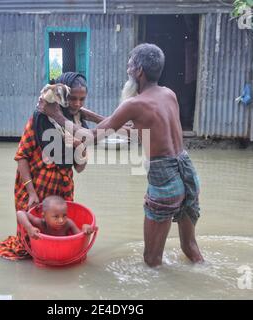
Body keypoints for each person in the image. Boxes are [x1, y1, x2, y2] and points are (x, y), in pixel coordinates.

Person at [39, 43, 204, 267]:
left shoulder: (134, 104)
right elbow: (133, 130)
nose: (127, 70)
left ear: (139, 71)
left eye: (129, 65)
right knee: (190, 247)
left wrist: (57, 115)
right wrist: (85, 113)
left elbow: (89, 137)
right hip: (187, 173)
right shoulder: (169, 95)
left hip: (165, 180)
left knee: (151, 260)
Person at [0, 72, 103, 260]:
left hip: (62, 188)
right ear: (62, 98)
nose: (77, 104)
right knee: (29, 243)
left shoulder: (77, 126)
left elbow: (79, 169)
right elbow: (22, 156)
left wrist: (80, 148)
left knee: (59, 235)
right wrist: (31, 192)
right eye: (72, 99)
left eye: (82, 99)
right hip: (34, 185)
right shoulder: (39, 120)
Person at [17, 195, 94, 239]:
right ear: (44, 216)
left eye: (64, 216)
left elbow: (79, 237)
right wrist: (29, 228)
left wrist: (86, 228)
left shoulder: (68, 223)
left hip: (63, 252)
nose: (61, 220)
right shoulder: (40, 223)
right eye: (56, 217)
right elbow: (20, 213)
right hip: (44, 253)